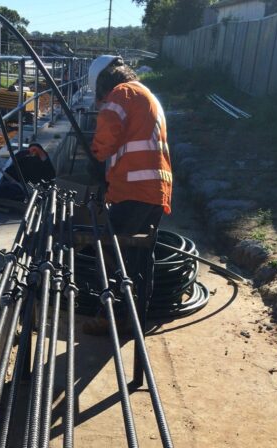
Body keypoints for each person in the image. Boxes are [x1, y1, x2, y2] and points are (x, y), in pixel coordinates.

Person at [84, 55, 173, 333]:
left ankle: (113, 316)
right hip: (155, 191)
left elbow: (108, 131)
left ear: (103, 83)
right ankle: (138, 316)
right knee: (138, 257)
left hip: (135, 190)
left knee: (112, 253)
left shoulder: (122, 93)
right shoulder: (146, 95)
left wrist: (96, 156)